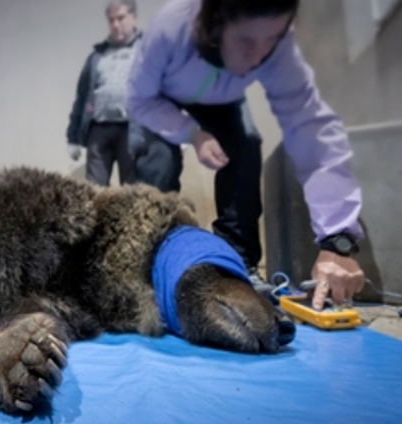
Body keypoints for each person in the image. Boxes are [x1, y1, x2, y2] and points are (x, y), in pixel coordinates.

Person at [126, 0, 365, 310]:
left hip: (224, 100)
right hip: (160, 100)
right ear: (212, 25)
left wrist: (338, 239)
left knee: (247, 143)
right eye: (245, 41)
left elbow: (311, 128)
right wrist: (192, 134)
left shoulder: (275, 44)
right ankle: (152, 265)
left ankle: (237, 264)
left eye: (271, 41)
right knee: (159, 159)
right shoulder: (170, 26)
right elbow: (138, 99)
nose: (258, 57)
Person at [67, 0, 181, 187]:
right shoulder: (96, 57)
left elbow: (168, 92)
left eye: (120, 18)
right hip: (99, 129)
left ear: (133, 18)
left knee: (131, 189)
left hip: (133, 129)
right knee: (92, 190)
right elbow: (81, 98)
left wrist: (175, 131)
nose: (115, 24)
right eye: (111, 20)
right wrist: (73, 139)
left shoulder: (149, 51)